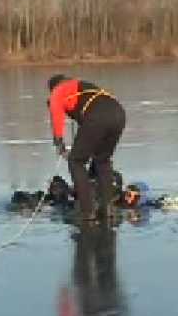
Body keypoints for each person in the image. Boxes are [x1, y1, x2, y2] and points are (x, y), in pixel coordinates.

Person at [47, 74, 126, 221]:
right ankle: (107, 208)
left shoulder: (58, 91)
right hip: (118, 114)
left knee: (76, 161)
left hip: (97, 117)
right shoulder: (83, 86)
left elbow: (56, 114)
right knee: (102, 160)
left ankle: (88, 211)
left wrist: (59, 142)